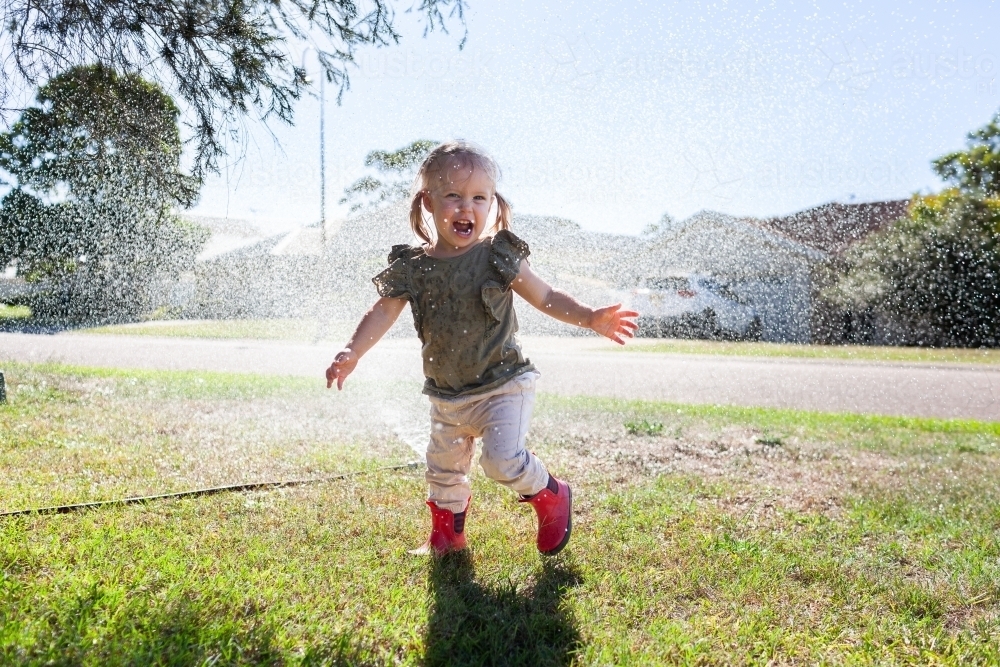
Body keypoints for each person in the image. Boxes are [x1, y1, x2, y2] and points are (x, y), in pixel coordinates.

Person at [326, 140, 638, 557]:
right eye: (452, 195)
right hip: (447, 394)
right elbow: (382, 312)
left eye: (478, 197)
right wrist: (353, 351)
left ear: (493, 203)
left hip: (503, 384)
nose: (465, 207)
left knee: (501, 461)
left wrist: (589, 317)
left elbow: (546, 297)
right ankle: (447, 537)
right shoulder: (413, 267)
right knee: (443, 471)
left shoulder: (497, 257)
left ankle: (551, 495)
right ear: (428, 202)